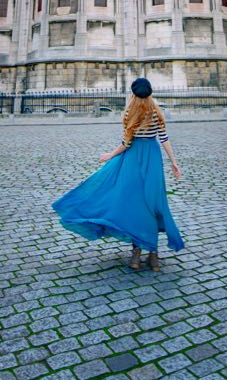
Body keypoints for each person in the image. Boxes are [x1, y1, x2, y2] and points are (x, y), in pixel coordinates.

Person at [52, 77, 184, 271]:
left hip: (132, 160)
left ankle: (137, 253)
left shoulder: (130, 113)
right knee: (152, 203)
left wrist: (110, 155)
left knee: (134, 203)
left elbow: (126, 143)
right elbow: (164, 138)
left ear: (132, 94)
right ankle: (153, 254)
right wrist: (173, 162)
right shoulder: (156, 112)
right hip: (152, 159)